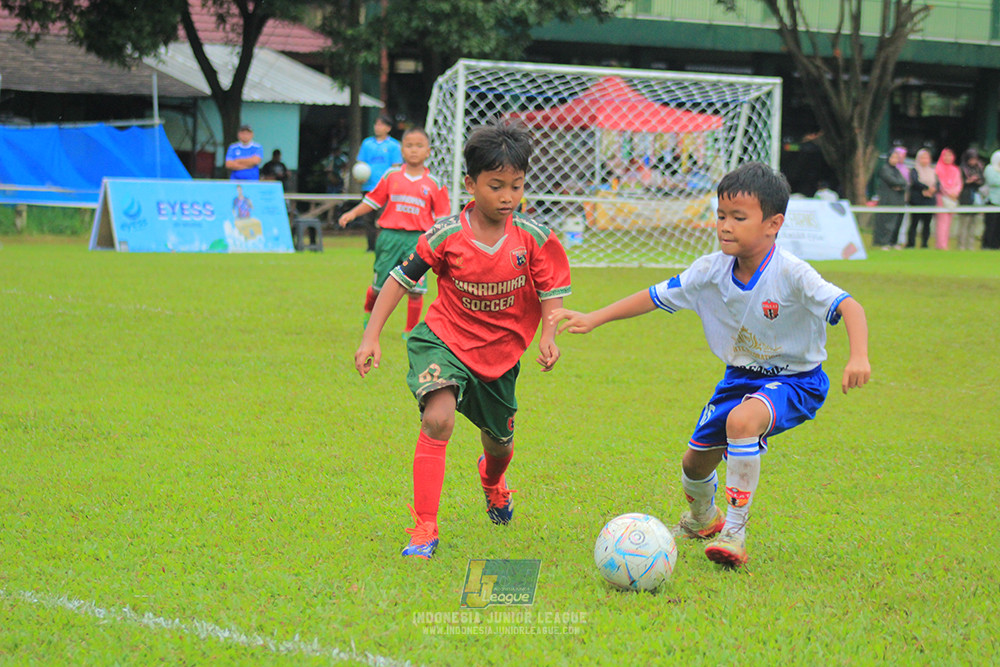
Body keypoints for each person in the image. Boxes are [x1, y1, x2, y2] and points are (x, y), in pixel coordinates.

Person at [550, 162, 870, 567]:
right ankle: (704, 519)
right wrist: (594, 317)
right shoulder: (710, 270)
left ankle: (735, 532)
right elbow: (654, 295)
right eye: (721, 215)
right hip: (740, 377)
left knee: (741, 423)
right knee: (694, 464)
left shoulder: (792, 273)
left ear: (773, 224)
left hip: (797, 379)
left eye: (739, 217)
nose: (725, 226)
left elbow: (849, 306)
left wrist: (858, 355)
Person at [352, 120, 572, 559]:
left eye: (516, 186)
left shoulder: (533, 238)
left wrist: (549, 334)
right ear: (471, 183)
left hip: (501, 355)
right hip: (444, 340)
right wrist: (371, 336)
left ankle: (492, 481)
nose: (508, 196)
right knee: (438, 417)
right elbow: (399, 279)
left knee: (500, 446)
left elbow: (551, 291)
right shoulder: (446, 234)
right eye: (496, 186)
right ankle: (424, 529)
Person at [338, 127, 451, 338]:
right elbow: (373, 200)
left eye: (419, 146)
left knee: (416, 288)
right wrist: (352, 214)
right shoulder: (391, 176)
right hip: (389, 236)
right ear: (402, 151)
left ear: (428, 151)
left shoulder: (434, 183)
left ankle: (410, 330)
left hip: (418, 240)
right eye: (409, 146)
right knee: (380, 286)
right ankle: (369, 314)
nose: (414, 150)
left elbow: (442, 218)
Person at [354, 115, 404, 251]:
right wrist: (359, 176)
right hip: (369, 187)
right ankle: (371, 247)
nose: (377, 127)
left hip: (386, 189)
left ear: (388, 128)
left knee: (384, 219)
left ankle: (384, 246)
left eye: (381, 125)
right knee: (368, 220)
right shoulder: (367, 143)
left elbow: (396, 166)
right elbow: (361, 164)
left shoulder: (394, 146)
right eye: (376, 124)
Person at [872, 148, 908, 249]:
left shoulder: (897, 170)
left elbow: (904, 183)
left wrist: (900, 186)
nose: (895, 160)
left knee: (897, 223)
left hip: (899, 201)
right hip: (888, 200)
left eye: (897, 158)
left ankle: (893, 242)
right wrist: (898, 184)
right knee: (887, 223)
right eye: (893, 157)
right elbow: (892, 181)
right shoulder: (884, 169)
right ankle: (884, 242)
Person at [906, 148, 939, 249]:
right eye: (922, 158)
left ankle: (925, 243)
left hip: (929, 200)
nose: (925, 160)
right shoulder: (914, 170)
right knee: (914, 223)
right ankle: (911, 243)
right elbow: (915, 182)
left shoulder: (933, 171)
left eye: (927, 158)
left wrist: (932, 190)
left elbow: (937, 184)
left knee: (927, 224)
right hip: (917, 200)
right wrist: (926, 188)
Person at [956, 148, 985, 251]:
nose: (973, 161)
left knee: (973, 224)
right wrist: (968, 181)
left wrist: (976, 180)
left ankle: (970, 246)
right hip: (965, 197)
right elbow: (960, 182)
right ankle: (961, 246)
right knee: (964, 223)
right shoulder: (962, 168)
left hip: (976, 198)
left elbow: (982, 181)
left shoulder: (979, 167)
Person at [934, 148, 962, 250]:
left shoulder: (955, 169)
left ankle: (946, 243)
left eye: (950, 156)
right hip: (942, 198)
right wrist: (948, 193)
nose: (948, 158)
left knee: (949, 222)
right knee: (942, 223)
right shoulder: (938, 168)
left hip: (953, 199)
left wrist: (955, 193)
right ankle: (941, 245)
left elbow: (958, 183)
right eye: (945, 155)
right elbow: (940, 184)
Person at [982, 150, 1000, 250]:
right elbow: (993, 181)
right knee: (990, 225)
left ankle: (996, 245)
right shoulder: (990, 169)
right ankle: (987, 244)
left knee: (998, 226)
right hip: (992, 201)